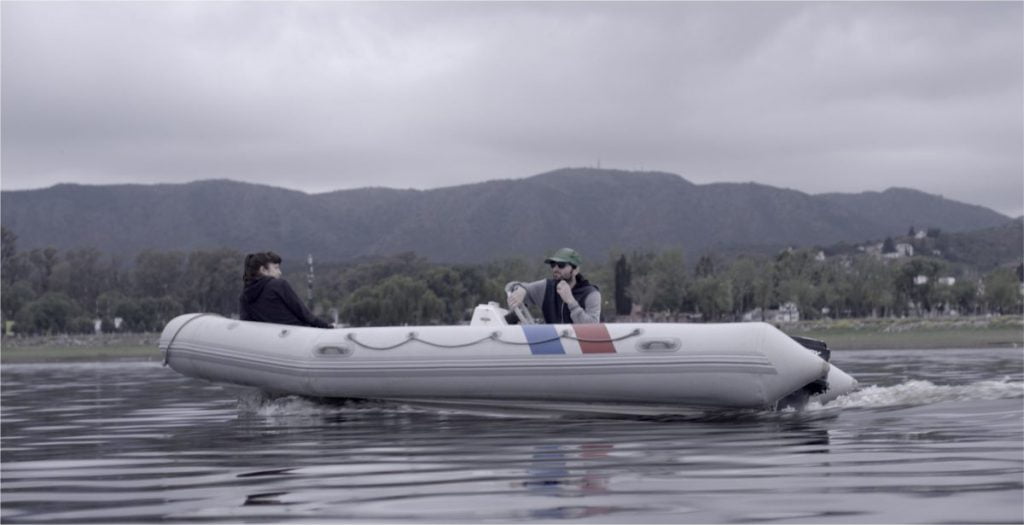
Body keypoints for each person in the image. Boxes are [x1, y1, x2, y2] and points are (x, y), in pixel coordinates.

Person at [505, 247, 601, 324]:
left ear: (575, 270)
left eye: (561, 265)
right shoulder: (546, 287)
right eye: (553, 265)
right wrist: (521, 289)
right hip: (553, 344)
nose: (555, 269)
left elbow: (592, 327)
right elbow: (510, 286)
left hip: (579, 346)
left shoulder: (591, 294)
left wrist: (571, 301)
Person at [239, 251, 332, 328]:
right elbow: (305, 315)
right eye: (276, 268)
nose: (280, 272)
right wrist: (328, 327)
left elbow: (246, 324)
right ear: (263, 270)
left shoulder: (244, 296)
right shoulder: (278, 285)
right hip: (296, 337)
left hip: (268, 343)